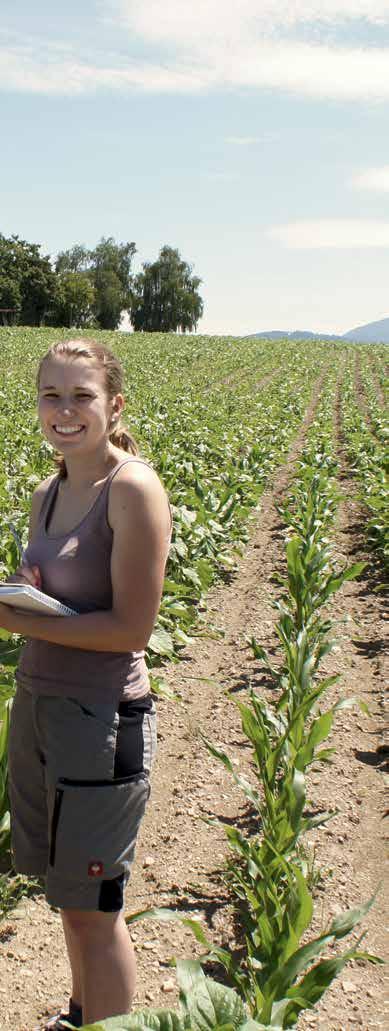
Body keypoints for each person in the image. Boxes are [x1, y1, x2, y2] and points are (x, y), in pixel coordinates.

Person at [0, 339, 172, 1029]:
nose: (64, 410)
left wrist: (13, 620)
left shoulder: (131, 488)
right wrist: (26, 595)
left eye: (81, 396)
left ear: (113, 405)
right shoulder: (49, 490)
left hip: (101, 718)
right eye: (52, 395)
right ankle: (82, 1014)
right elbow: (59, 593)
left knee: (96, 910)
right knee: (69, 900)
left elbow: (131, 628)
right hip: (41, 704)